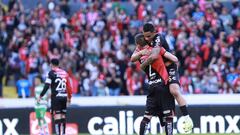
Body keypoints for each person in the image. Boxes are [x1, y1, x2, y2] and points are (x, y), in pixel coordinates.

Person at [142, 23, 193, 133]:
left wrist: (144, 61)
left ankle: (187, 119)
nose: (147, 39)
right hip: (159, 71)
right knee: (161, 97)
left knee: (173, 90)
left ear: (154, 33)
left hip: (169, 67)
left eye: (149, 36)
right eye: (145, 36)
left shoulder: (158, 38)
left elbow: (155, 55)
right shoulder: (144, 41)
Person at [132, 33, 178, 135]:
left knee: (147, 116)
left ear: (138, 44)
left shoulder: (139, 55)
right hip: (163, 84)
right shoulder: (156, 49)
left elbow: (132, 59)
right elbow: (175, 59)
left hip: (152, 86)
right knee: (168, 116)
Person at [37, 58, 72, 135]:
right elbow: (69, 87)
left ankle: (59, 134)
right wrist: (69, 98)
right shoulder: (65, 73)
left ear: (51, 64)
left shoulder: (51, 73)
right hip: (64, 96)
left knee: (57, 116)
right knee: (63, 115)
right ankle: (63, 133)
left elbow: (47, 85)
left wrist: (41, 95)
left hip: (56, 97)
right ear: (58, 64)